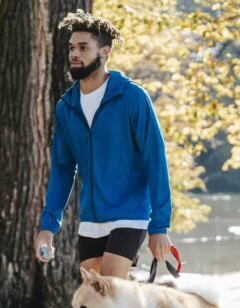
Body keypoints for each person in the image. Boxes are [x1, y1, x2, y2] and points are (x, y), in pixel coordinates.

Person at [34, 10, 172, 279]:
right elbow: (62, 170)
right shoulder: (67, 106)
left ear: (105, 52)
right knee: (95, 301)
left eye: (83, 47)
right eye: (72, 47)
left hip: (130, 213)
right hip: (91, 219)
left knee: (108, 290)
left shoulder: (131, 97)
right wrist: (47, 227)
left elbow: (155, 161)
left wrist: (160, 226)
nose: (75, 53)